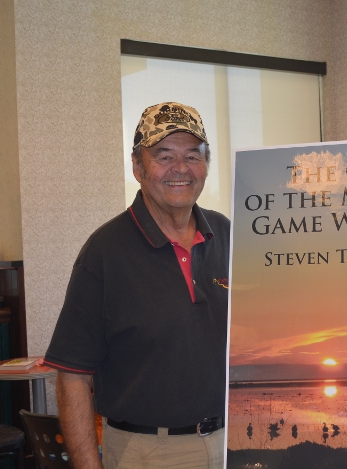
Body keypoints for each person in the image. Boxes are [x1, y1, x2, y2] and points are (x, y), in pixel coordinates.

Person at [44, 102, 229, 468]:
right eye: (164, 155)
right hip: (147, 452)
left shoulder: (227, 234)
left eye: (193, 155)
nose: (180, 168)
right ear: (137, 166)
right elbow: (72, 378)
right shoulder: (104, 252)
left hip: (234, 443)